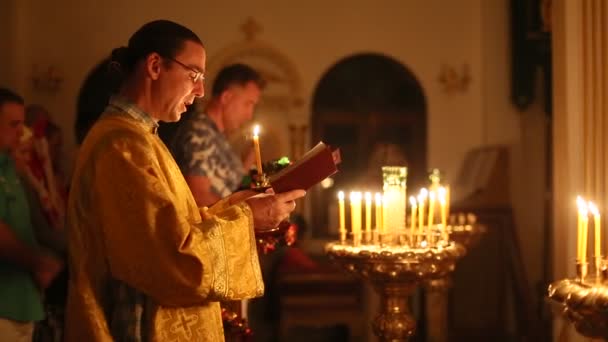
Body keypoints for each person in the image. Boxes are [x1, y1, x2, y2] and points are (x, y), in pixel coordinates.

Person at [64, 19, 306, 342]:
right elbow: (170, 259)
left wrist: (243, 205)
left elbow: (179, 225)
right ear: (154, 66)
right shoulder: (121, 146)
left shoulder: (141, 139)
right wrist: (247, 220)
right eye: (194, 75)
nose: (201, 91)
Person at [0, 87, 63, 342]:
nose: (22, 133)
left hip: (23, 302)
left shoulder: (10, 166)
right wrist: (40, 263)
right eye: (14, 125)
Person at [167, 63, 263, 207]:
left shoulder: (216, 136)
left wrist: (247, 163)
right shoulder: (200, 131)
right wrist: (249, 211)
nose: (250, 115)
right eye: (248, 104)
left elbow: (226, 186)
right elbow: (197, 196)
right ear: (226, 97)